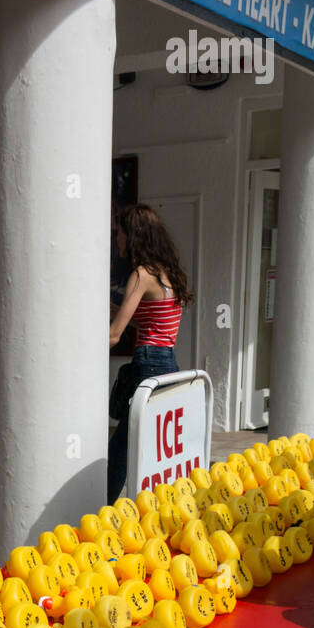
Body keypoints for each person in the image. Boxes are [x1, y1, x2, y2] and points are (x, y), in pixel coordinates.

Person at [107, 204, 193, 503]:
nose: (116, 239)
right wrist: (122, 311)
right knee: (155, 442)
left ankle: (103, 507)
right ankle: (159, 503)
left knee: (123, 443)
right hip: (168, 362)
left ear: (133, 236)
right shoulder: (168, 273)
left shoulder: (141, 274)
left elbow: (114, 335)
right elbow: (157, 321)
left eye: (119, 233)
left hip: (147, 364)